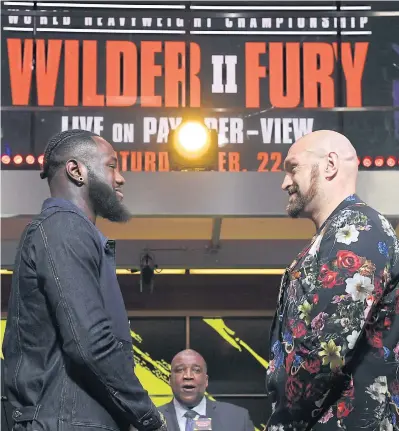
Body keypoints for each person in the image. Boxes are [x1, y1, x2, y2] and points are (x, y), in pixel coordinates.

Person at [3, 129, 167, 431]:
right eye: (112, 165)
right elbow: (90, 343)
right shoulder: (64, 227)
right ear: (77, 170)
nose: (120, 178)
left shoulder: (72, 232)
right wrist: (149, 418)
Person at [266, 130, 399, 431]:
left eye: (292, 168)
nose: (284, 182)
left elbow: (327, 349)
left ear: (330, 164)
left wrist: (281, 423)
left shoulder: (359, 230)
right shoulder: (334, 236)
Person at [159, 349, 255, 431]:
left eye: (196, 370)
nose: (188, 376)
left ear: (206, 381)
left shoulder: (238, 418)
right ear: (170, 380)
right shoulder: (150, 420)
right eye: (180, 370)